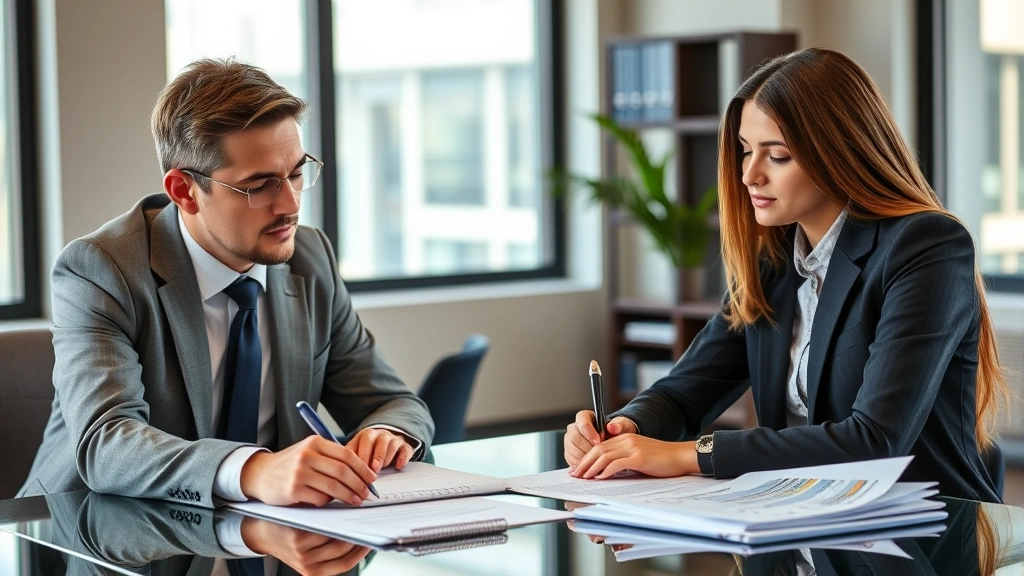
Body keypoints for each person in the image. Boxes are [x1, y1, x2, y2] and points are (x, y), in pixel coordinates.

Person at [565, 48, 1008, 502]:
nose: (749, 175)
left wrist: (688, 454)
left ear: (841, 152)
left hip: (923, 531)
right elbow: (684, 393)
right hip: (797, 519)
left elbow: (874, 440)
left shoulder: (926, 245)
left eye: (777, 156)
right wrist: (626, 428)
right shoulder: (773, 260)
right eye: (745, 151)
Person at [19, 58, 434, 510]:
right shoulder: (101, 270)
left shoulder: (311, 259)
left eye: (296, 173)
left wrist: (387, 433)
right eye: (261, 185)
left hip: (263, 530)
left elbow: (394, 401)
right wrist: (253, 469)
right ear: (183, 191)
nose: (291, 205)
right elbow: (107, 444)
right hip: (96, 533)